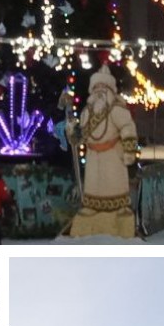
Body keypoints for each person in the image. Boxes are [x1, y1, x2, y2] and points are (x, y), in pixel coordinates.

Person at [67, 65, 138, 239]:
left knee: (114, 186)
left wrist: (129, 151)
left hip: (113, 157)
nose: (100, 91)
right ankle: (92, 209)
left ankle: (119, 210)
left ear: (110, 90)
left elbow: (128, 128)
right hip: (93, 158)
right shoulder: (86, 112)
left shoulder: (116, 109)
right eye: (97, 87)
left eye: (103, 87)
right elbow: (81, 135)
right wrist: (73, 132)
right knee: (93, 187)